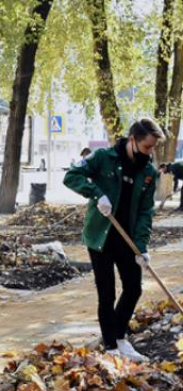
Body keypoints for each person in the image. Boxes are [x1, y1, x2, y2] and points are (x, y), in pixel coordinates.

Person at [64, 118, 163, 361]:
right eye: (147, 147)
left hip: (127, 238)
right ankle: (110, 347)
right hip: (101, 235)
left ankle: (119, 337)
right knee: (106, 292)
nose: (150, 152)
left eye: (153, 147)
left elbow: (144, 213)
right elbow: (72, 176)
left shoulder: (148, 172)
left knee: (133, 288)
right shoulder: (103, 157)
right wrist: (97, 195)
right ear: (132, 140)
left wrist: (142, 247)